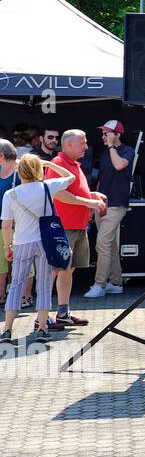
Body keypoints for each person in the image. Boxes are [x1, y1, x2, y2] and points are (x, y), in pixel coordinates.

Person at [1, 155, 104, 342]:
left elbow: (6, 225)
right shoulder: (48, 187)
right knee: (43, 285)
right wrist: (47, 164)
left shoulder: (11, 194)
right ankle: (42, 329)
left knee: (16, 285)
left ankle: (7, 330)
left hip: (22, 243)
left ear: (19, 170)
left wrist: (7, 246)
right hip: (44, 243)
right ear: (37, 169)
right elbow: (70, 177)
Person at [48, 130, 105, 328]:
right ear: (69, 145)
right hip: (63, 227)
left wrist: (92, 194)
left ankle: (62, 313)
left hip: (77, 227)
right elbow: (59, 194)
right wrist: (89, 201)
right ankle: (42, 319)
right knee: (54, 270)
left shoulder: (74, 165)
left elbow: (74, 192)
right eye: (83, 142)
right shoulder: (58, 164)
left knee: (67, 270)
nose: (86, 147)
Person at [84, 121, 134, 298]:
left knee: (102, 243)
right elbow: (101, 179)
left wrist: (112, 147)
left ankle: (99, 285)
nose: (103, 137)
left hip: (116, 204)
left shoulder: (126, 151)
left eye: (107, 133)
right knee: (110, 244)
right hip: (102, 203)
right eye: (103, 134)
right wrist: (93, 201)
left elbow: (120, 165)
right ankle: (116, 282)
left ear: (117, 134)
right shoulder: (105, 153)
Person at [0, 140, 17, 306]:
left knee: (19, 263)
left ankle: (23, 296)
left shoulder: (21, 172)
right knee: (1, 263)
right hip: (2, 224)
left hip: (17, 225)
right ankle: (2, 296)